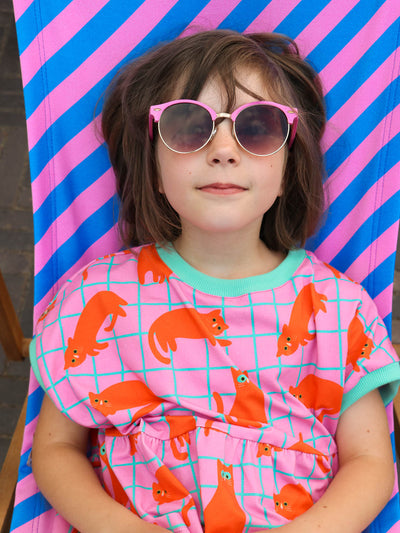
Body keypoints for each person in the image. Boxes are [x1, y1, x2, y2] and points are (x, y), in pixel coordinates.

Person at [30, 30, 400, 533]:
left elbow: (370, 462)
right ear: (154, 168)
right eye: (188, 126)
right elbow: (56, 448)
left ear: (288, 169)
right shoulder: (99, 295)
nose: (224, 150)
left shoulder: (336, 307)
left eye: (258, 128)